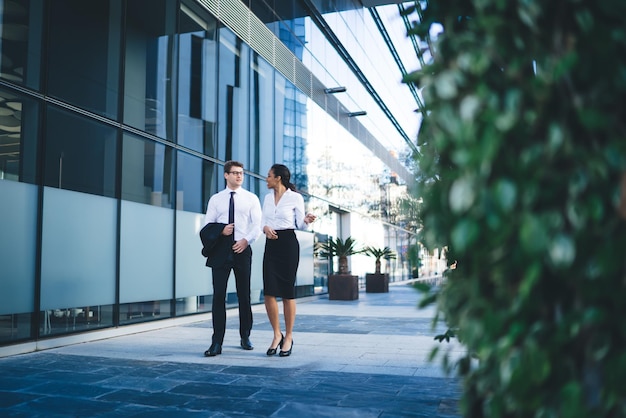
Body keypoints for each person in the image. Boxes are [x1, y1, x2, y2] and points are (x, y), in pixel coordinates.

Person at [201, 161, 262, 357]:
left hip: (242, 249)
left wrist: (246, 241)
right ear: (226, 175)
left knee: (244, 295)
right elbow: (206, 225)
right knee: (219, 296)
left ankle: (245, 336)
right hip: (220, 251)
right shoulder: (216, 199)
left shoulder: (251, 198)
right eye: (234, 173)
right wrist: (221, 230)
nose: (238, 176)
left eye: (241, 173)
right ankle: (217, 342)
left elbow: (257, 224)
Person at [261, 164, 316, 357]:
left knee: (287, 292)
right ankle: (277, 334)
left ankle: (289, 337)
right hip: (271, 245)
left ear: (278, 178)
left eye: (268, 176)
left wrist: (307, 220)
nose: (266, 179)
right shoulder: (267, 198)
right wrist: (265, 228)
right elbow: (263, 221)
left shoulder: (295, 197)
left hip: (288, 244)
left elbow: (300, 223)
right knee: (269, 292)